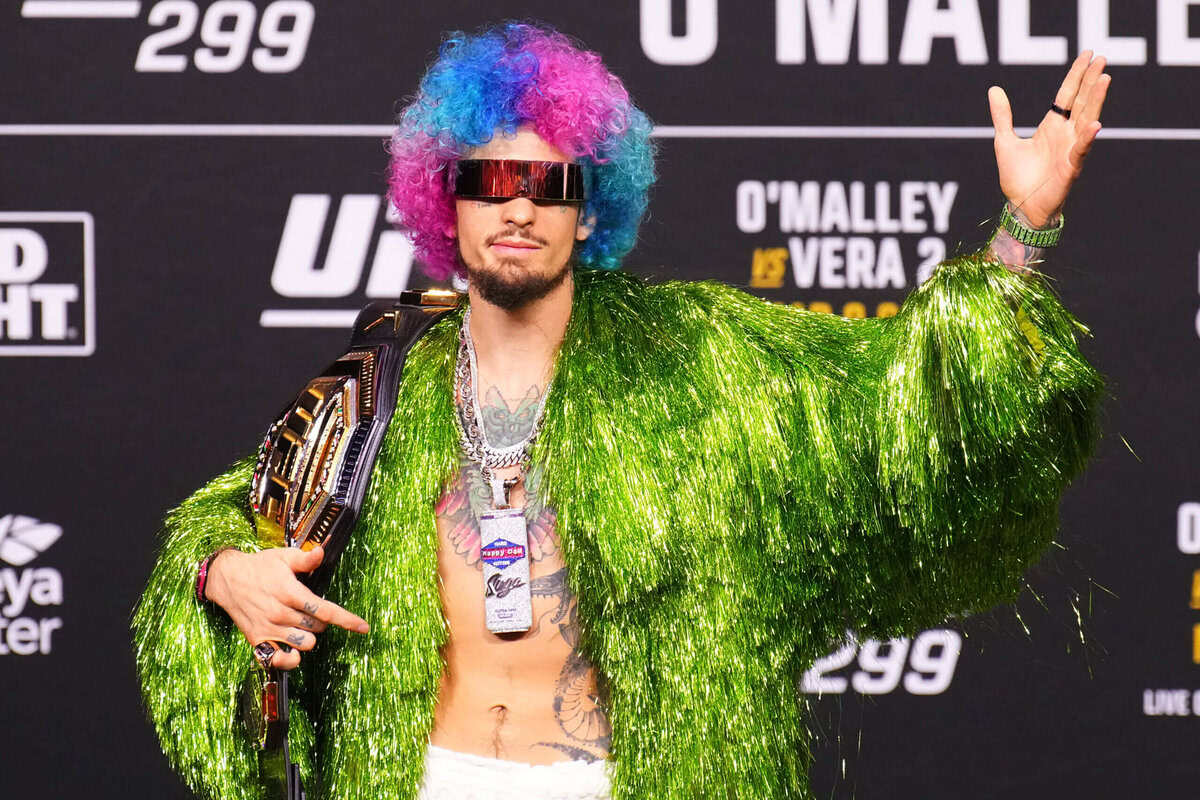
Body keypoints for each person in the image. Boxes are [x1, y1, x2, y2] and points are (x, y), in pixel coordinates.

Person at [133, 21, 1110, 800]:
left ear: (588, 208)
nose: (517, 208)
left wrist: (1022, 230)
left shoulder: (706, 359)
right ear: (449, 203)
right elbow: (228, 517)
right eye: (490, 181)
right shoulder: (378, 389)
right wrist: (228, 569)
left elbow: (912, 408)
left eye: (547, 182)